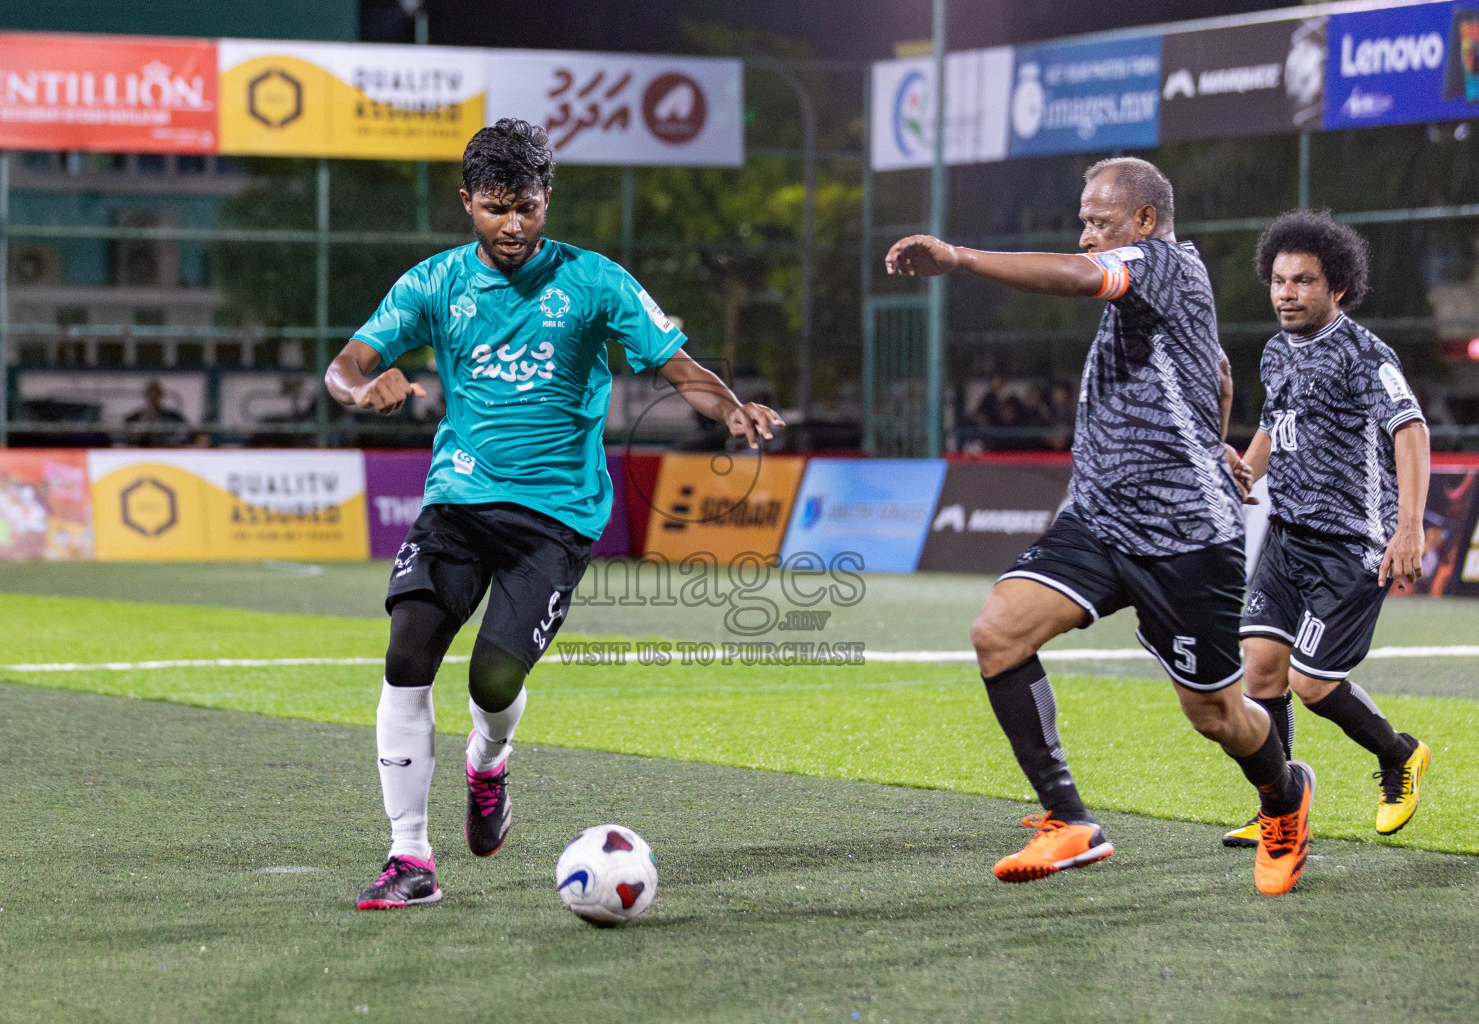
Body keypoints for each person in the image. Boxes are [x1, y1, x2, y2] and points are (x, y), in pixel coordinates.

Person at [325, 119, 783, 910]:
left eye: (527, 207)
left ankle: (489, 762)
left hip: (558, 516)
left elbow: (680, 365)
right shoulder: (434, 283)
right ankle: (409, 857)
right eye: (496, 208)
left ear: (547, 200)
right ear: (467, 200)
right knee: (407, 653)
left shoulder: (596, 282)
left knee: (493, 679)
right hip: (458, 503)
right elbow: (346, 365)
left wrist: (731, 408)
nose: (512, 226)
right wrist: (364, 388)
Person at [886, 156, 1315, 896]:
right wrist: (1212, 438)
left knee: (1215, 715)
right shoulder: (1157, 291)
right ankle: (1069, 818)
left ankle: (1285, 797)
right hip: (1100, 517)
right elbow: (1214, 368)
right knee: (998, 631)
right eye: (1082, 221)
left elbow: (1082, 278)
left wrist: (958, 257)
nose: (1086, 236)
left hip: (1186, 536)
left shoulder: (1163, 264)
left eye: (1098, 221)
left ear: (1144, 221)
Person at [1221, 210, 1431, 848]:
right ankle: (1278, 805)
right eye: (1279, 280)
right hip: (1287, 539)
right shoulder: (1275, 350)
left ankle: (1399, 756)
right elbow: (1275, 422)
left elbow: (1411, 429)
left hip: (1352, 544)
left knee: (1311, 682)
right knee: (1259, 670)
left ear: (1336, 286)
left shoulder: (1365, 354)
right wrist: (1246, 472)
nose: (1286, 293)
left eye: (1303, 281)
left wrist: (1409, 528)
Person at [124, 380, 188, 447]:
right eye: (151, 392)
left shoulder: (173, 417)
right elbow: (131, 439)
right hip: (142, 452)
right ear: (146, 394)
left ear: (161, 394)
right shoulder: (134, 417)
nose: (153, 396)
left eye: (156, 392)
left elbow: (182, 435)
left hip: (166, 450)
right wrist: (145, 420)